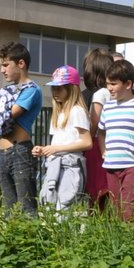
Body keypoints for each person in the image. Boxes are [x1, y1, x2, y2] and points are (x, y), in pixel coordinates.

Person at [34, 65, 92, 213]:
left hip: (70, 166)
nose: (55, 92)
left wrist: (56, 149)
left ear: (72, 89)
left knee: (64, 210)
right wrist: (44, 149)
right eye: (53, 88)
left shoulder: (77, 111)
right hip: (55, 165)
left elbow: (87, 142)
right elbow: (60, 142)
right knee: (50, 207)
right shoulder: (59, 113)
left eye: (59, 88)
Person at [0, 41, 44, 214]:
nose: (2, 70)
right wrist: (0, 117)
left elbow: (7, 115)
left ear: (21, 63)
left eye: (6, 64)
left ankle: (32, 241)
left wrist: (1, 115)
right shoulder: (6, 92)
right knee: (9, 209)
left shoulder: (31, 89)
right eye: (2, 65)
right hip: (3, 153)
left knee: (26, 207)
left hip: (20, 151)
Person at [99, 59, 134, 221]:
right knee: (116, 210)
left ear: (128, 84)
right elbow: (101, 132)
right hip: (112, 166)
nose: (109, 88)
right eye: (108, 83)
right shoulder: (107, 107)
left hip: (133, 166)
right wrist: (103, 151)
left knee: (130, 210)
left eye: (113, 84)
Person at [81, 49, 116, 210]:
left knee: (96, 191)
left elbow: (94, 122)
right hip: (114, 143)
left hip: (96, 146)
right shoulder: (116, 93)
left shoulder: (97, 94)